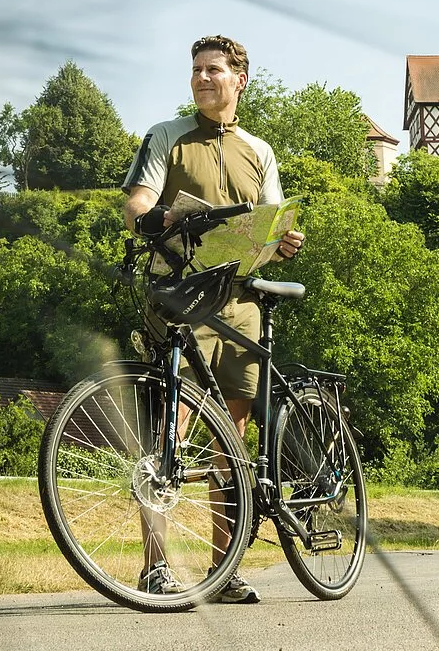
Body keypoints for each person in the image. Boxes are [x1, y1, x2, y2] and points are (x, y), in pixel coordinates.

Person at [122, 34, 305, 603]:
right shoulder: (166, 136)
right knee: (170, 432)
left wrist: (284, 241)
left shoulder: (260, 149)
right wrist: (161, 219)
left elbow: (270, 228)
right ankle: (157, 566)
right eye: (196, 70)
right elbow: (136, 206)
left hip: (242, 302)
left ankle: (224, 572)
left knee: (233, 438)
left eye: (214, 70)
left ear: (239, 81)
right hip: (182, 293)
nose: (203, 78)